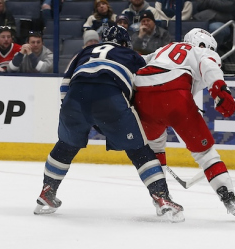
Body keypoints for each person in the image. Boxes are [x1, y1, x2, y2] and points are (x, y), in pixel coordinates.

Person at [33, 26, 184, 222]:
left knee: (65, 145)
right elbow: (143, 90)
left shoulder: (85, 52)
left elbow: (65, 84)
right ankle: (162, 198)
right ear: (124, 43)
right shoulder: (132, 55)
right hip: (109, 96)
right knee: (139, 149)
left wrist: (78, 114)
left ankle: (47, 192)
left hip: (74, 98)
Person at [133, 28, 235, 220]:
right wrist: (220, 90)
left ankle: (160, 195)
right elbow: (209, 66)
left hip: (142, 95)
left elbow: (136, 62)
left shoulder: (164, 48)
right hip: (175, 96)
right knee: (205, 153)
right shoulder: (202, 51)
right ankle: (228, 197)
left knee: (154, 150)